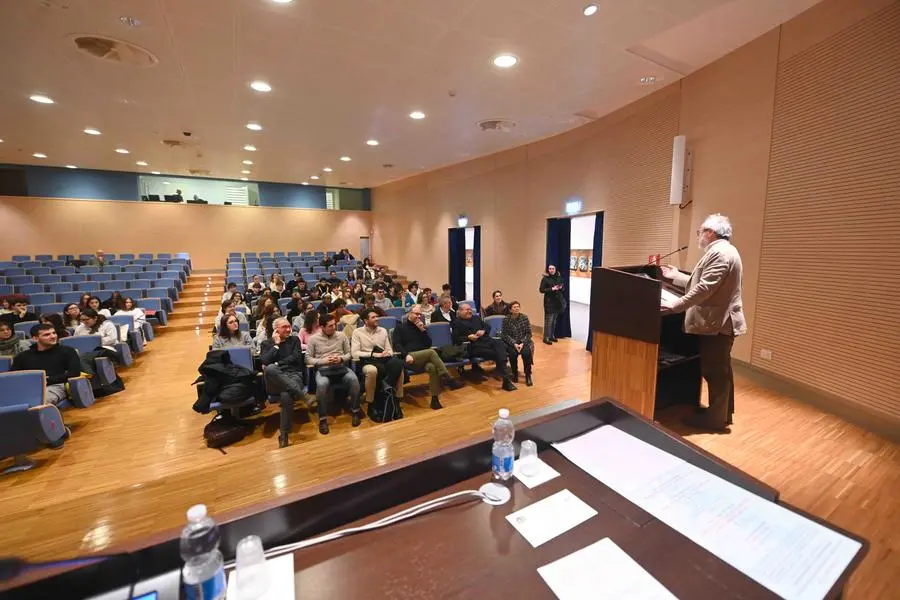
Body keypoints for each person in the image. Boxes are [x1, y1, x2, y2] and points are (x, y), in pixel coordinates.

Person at [660, 213, 746, 431]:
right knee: (721, 370)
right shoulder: (724, 251)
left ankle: (714, 420)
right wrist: (676, 275)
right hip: (719, 323)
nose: (699, 236)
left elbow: (705, 288)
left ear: (711, 232)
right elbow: (700, 281)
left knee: (714, 371)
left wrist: (676, 305)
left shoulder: (719, 253)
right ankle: (722, 413)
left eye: (700, 232)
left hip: (718, 325)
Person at [392, 306, 463, 409]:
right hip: (409, 358)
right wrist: (406, 355)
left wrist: (423, 331)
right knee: (431, 352)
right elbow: (397, 344)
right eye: (416, 314)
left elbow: (428, 344)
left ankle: (435, 400)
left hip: (423, 358)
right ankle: (448, 378)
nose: (418, 316)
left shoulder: (421, 327)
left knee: (433, 368)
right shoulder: (400, 327)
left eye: (420, 314)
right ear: (409, 314)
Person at [13, 323, 80, 422]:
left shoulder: (68, 351)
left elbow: (74, 373)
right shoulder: (22, 357)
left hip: (56, 386)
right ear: (35, 338)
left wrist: (48, 380)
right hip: (29, 388)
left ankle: (53, 429)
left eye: (53, 333)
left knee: (38, 402)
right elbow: (14, 377)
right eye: (47, 334)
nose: (53, 336)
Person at [306, 314, 361, 432]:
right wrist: (323, 361)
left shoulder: (342, 335)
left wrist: (341, 359)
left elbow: (349, 354)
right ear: (322, 327)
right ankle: (323, 419)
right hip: (323, 369)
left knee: (354, 380)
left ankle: (356, 411)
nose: (334, 327)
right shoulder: (313, 339)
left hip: (340, 367)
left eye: (334, 325)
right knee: (322, 385)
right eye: (330, 326)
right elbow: (308, 359)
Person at [259, 318, 306, 447]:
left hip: (293, 375)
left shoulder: (294, 340)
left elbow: (296, 358)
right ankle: (302, 395)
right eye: (284, 327)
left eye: (289, 326)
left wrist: (278, 363)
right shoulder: (266, 344)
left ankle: (284, 434)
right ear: (276, 330)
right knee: (270, 369)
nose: (288, 329)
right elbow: (264, 361)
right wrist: (276, 345)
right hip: (274, 381)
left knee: (286, 395)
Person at [452, 303, 516, 391]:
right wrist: (468, 337)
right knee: (499, 353)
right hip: (473, 346)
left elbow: (487, 327)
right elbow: (455, 339)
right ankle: (506, 380)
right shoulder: (456, 322)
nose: (469, 311)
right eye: (466, 310)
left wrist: (483, 331)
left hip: (486, 340)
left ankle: (505, 378)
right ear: (460, 311)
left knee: (499, 343)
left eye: (470, 309)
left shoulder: (476, 318)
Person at [351, 309, 404, 408]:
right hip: (367, 361)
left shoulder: (383, 330)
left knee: (398, 365)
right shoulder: (357, 332)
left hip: (383, 359)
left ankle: (397, 397)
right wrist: (373, 354)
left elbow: (390, 350)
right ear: (366, 321)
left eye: (377, 316)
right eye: (373, 317)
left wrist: (386, 353)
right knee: (372, 370)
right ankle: (370, 401)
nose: (377, 319)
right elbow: (354, 353)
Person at [501, 301, 534, 386]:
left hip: (523, 341)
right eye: (514, 307)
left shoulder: (524, 318)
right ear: (510, 309)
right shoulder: (506, 319)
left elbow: (529, 333)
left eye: (518, 307)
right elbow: (504, 334)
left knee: (526, 354)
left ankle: (528, 375)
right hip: (512, 342)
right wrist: (514, 343)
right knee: (512, 354)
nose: (516, 308)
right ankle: (514, 374)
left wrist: (522, 343)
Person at [539, 265, 565, 345]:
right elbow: (541, 290)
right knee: (548, 321)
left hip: (557, 302)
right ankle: (546, 337)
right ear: (548, 270)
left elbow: (563, 288)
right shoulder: (545, 279)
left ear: (555, 269)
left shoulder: (559, 277)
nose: (551, 270)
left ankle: (551, 336)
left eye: (553, 268)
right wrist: (552, 289)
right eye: (550, 269)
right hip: (549, 302)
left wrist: (560, 288)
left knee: (554, 321)